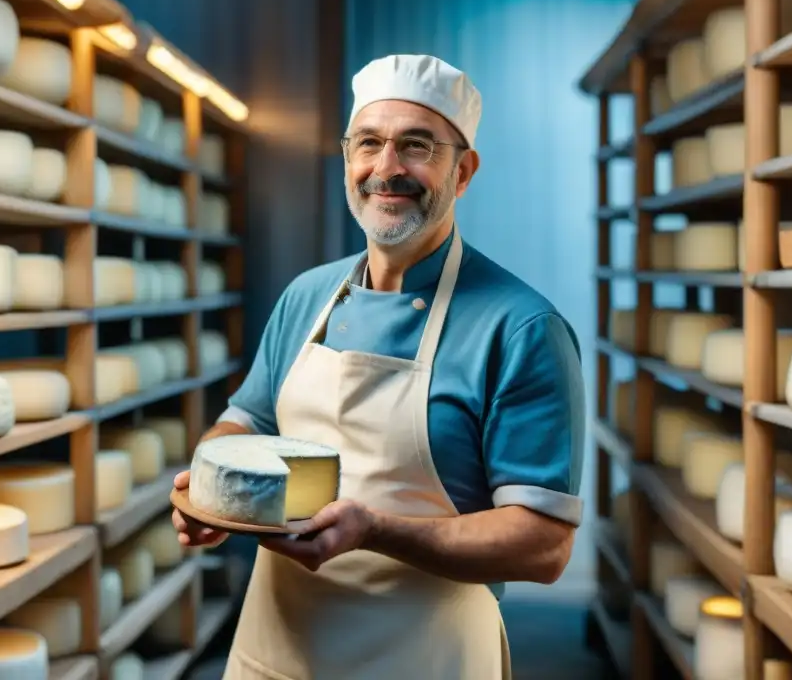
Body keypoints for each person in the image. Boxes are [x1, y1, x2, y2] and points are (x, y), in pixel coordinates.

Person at [172, 53, 586, 680]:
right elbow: (244, 423)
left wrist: (374, 530)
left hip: (426, 655)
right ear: (347, 161)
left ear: (464, 170)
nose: (387, 169)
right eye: (369, 143)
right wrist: (212, 486)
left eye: (416, 146)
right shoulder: (306, 298)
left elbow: (544, 544)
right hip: (278, 647)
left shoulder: (522, 327)